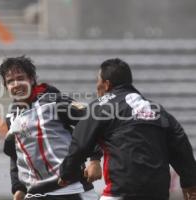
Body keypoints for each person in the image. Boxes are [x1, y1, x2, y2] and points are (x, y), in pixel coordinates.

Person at [58, 58, 196, 200]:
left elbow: (80, 143)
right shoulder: (157, 110)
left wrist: (66, 174)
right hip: (158, 193)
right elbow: (181, 148)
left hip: (121, 192)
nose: (96, 87)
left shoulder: (101, 106)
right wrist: (190, 184)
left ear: (106, 84)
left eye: (97, 82)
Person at [0, 56, 103, 200]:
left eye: (20, 78)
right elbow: (15, 155)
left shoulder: (54, 100)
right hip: (35, 194)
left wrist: (95, 159)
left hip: (70, 189)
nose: (16, 84)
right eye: (10, 81)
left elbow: (90, 123)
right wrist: (18, 187)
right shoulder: (11, 116)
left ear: (32, 79)